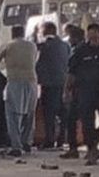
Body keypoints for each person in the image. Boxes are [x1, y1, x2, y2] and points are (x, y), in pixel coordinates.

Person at [67, 23, 99, 166]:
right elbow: (71, 72)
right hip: (85, 92)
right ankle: (91, 150)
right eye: (91, 35)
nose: (94, 37)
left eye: (96, 34)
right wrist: (67, 90)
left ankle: (93, 141)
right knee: (87, 122)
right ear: (87, 35)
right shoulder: (80, 50)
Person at [0, 25, 37, 157]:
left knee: (12, 115)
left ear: (12, 34)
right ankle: (27, 142)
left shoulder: (8, 45)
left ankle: (16, 146)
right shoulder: (32, 46)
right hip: (32, 82)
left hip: (15, 81)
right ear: (23, 33)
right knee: (29, 114)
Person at [35, 22, 71, 150]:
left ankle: (49, 140)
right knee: (63, 112)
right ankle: (61, 138)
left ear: (46, 31)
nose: (40, 33)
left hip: (49, 84)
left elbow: (38, 64)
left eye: (41, 30)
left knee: (49, 113)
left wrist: (37, 78)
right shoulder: (65, 45)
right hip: (63, 83)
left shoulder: (44, 46)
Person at [60, 25, 85, 159]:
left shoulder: (76, 52)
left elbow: (71, 73)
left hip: (78, 90)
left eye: (70, 37)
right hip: (90, 89)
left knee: (71, 119)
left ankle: (73, 149)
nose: (68, 40)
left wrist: (66, 90)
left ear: (75, 38)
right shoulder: (88, 49)